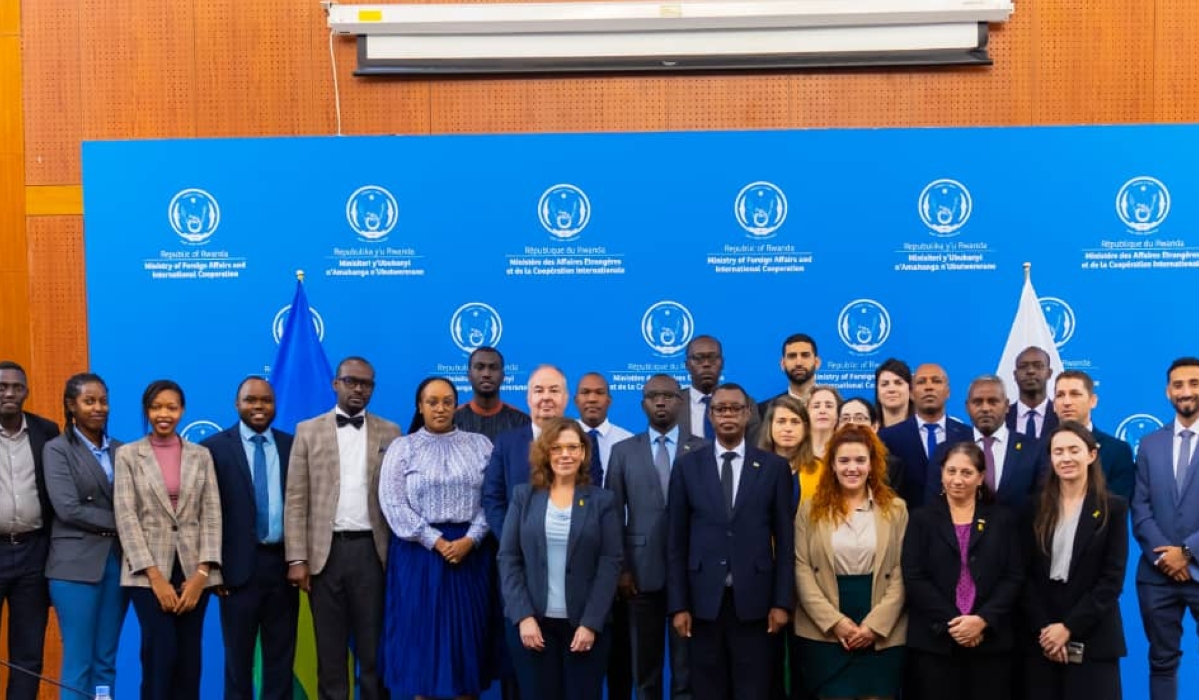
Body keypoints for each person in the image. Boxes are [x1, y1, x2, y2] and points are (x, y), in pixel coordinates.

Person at [284, 356, 402, 700]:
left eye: (366, 384)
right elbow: (295, 499)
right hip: (324, 556)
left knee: (372, 652)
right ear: (336, 383)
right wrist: (296, 559)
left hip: (372, 554)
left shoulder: (391, 432)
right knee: (331, 653)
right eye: (351, 381)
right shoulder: (308, 430)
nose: (358, 389)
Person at [667, 383, 793, 700]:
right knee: (708, 691)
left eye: (735, 408)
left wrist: (781, 602)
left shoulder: (773, 468)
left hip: (756, 604)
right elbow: (676, 541)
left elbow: (786, 540)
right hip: (702, 604)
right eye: (720, 409)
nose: (728, 415)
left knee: (754, 690)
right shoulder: (686, 466)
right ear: (710, 415)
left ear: (748, 414)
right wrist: (679, 605)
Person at [379, 376, 495, 699]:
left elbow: (493, 499)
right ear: (420, 406)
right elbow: (393, 504)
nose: (440, 408)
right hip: (419, 556)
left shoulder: (480, 445)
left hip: (469, 555)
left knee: (465, 649)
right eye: (432, 402)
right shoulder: (403, 448)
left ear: (455, 405)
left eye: (447, 401)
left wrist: (471, 539)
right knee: (422, 649)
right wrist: (436, 541)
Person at [498, 417, 622, 700]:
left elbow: (610, 563)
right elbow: (508, 557)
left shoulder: (602, 501)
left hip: (584, 628)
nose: (565, 454)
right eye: (557, 448)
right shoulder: (523, 496)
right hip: (534, 627)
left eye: (572, 447)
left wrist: (590, 623)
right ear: (545, 452)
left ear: (583, 452)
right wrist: (523, 617)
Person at [113, 379, 222, 700]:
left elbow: (212, 514)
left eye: (171, 407)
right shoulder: (129, 455)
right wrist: (156, 578)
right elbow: (126, 517)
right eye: (157, 407)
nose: (164, 414)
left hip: (194, 574)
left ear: (182, 410)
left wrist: (202, 574)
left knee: (190, 661)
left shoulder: (201, 455)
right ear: (147, 411)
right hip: (147, 575)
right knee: (160, 656)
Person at [607, 374, 705, 700]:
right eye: (652, 396)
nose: (660, 401)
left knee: (686, 671)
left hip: (690, 575)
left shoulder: (701, 449)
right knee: (644, 673)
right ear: (642, 403)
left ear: (681, 401)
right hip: (638, 576)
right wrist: (621, 569)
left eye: (668, 395)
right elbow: (611, 516)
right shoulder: (623, 452)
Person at [793, 424, 907, 700]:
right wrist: (835, 623)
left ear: (872, 465)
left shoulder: (895, 509)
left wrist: (874, 626)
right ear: (831, 465)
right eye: (843, 460)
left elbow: (902, 571)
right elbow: (801, 568)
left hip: (882, 631)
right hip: (824, 631)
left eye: (860, 460)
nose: (851, 468)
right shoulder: (809, 509)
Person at [902, 442, 1023, 700]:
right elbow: (914, 576)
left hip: (990, 644)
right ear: (941, 474)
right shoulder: (920, 519)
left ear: (980, 478)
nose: (957, 480)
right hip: (934, 644)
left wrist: (982, 620)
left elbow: (1013, 577)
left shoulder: (1003, 520)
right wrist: (955, 623)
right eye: (951, 471)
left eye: (966, 473)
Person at [201, 377, 297, 700]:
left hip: (283, 569)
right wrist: (213, 569)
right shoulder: (213, 449)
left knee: (280, 660)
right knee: (237, 663)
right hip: (235, 572)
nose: (259, 407)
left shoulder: (292, 445)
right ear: (236, 404)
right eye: (251, 400)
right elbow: (206, 515)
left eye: (266, 401)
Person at [1022, 422, 1128, 700]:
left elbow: (1112, 580)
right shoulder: (1033, 508)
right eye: (1058, 452)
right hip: (1041, 636)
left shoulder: (1113, 508)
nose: (1066, 458)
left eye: (1073, 450)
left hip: (1094, 635)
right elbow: (1024, 574)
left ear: (1091, 455)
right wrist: (1047, 629)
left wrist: (1068, 628)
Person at [483, 364, 570, 700]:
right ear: (527, 397)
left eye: (553, 390)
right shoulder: (507, 443)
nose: (546, 398)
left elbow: (594, 498)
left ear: (565, 397)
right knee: (521, 669)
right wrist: (513, 540)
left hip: (570, 572)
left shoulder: (581, 441)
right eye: (538, 391)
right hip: (518, 570)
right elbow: (492, 498)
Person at [43, 372, 127, 699]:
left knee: (106, 660)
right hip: (74, 568)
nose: (98, 408)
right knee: (79, 661)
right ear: (71, 406)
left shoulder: (123, 450)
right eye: (89, 401)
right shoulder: (57, 450)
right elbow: (68, 509)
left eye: (103, 401)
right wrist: (124, 522)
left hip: (117, 565)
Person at [1131, 356, 1199, 700]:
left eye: (1194, 383)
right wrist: (1165, 558)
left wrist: (1187, 553)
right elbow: (1140, 507)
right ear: (1167, 391)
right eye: (1178, 385)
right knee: (1161, 662)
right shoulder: (1149, 444)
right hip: (1157, 576)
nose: (1186, 391)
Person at [0, 361, 58, 700]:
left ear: (26, 392)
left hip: (33, 554)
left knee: (27, 655)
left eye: (16, 387)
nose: (8, 392)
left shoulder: (46, 431)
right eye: (2, 386)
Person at [925, 375, 1045, 510]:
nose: (985, 408)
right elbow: (934, 505)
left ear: (1006, 406)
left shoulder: (1033, 449)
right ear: (967, 407)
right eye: (977, 402)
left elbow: (1041, 503)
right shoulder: (946, 450)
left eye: (993, 402)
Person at [879, 363, 972, 509]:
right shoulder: (888, 437)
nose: (929, 387)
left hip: (956, 526)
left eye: (936, 381)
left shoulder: (968, 436)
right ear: (911, 393)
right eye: (921, 382)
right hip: (907, 526)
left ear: (948, 392)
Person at [1052, 370, 1135, 500]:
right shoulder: (1039, 450)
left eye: (1075, 394)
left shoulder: (1117, 451)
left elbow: (1118, 505)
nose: (1066, 402)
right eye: (1060, 395)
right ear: (1054, 405)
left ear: (1093, 401)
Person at [678, 336, 760, 441]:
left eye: (712, 358)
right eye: (698, 358)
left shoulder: (746, 403)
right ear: (687, 365)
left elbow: (755, 449)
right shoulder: (674, 405)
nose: (706, 364)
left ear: (722, 363)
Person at [455, 346, 531, 440]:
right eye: (480, 367)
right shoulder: (453, 420)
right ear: (469, 375)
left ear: (503, 376)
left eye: (493, 368)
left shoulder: (522, 421)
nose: (486, 374)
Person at [574, 372, 633, 487]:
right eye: (585, 392)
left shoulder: (627, 441)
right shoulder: (560, 438)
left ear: (609, 400)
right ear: (576, 400)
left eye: (599, 393)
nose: (592, 399)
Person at [758, 333, 822, 416]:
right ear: (783, 364)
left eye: (805, 355)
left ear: (817, 363)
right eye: (792, 356)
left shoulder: (837, 407)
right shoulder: (764, 410)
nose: (799, 363)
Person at [1006, 346, 1059, 441]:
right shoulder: (1002, 417)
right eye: (1023, 366)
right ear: (1015, 374)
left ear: (1049, 373)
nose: (1030, 371)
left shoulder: (1061, 417)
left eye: (1038, 366)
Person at [874, 359, 914, 429]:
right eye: (884, 384)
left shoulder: (924, 432)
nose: (891, 389)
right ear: (877, 392)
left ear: (910, 390)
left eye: (898, 383)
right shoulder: (868, 433)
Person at [807, 386, 842, 467]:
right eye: (816, 406)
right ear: (806, 413)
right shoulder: (795, 450)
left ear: (838, 414)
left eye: (829, 406)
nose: (822, 411)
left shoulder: (847, 449)